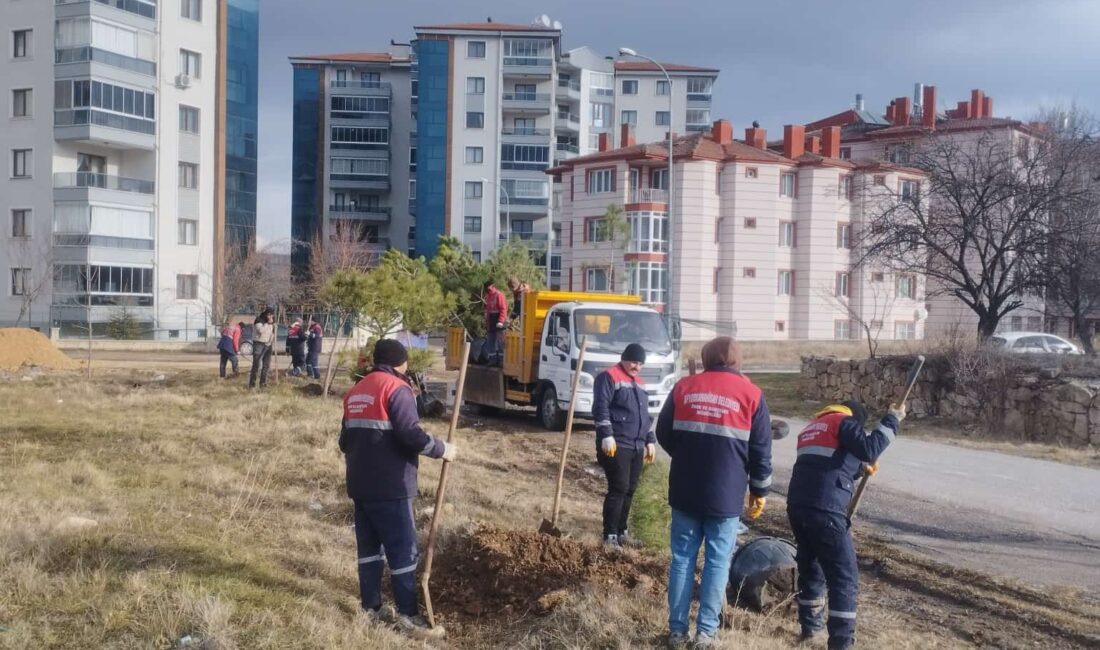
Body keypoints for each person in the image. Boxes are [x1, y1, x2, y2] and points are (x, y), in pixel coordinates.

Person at [655, 336, 773, 649]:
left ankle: (677, 632)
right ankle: (705, 634)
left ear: (707, 358)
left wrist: (685, 455)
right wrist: (759, 489)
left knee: (682, 560)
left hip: (685, 489)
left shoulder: (684, 387)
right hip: (726, 494)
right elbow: (761, 449)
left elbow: (663, 432)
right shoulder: (752, 394)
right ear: (737, 361)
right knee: (717, 563)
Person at [339, 339, 458, 637]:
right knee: (403, 550)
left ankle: (371, 607)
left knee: (369, 549)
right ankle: (408, 615)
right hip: (391, 485)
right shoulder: (397, 389)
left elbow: (344, 442)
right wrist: (442, 448)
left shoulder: (356, 391)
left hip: (360, 485)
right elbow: (410, 435)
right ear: (399, 363)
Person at [786, 400, 903, 650]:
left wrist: (860, 470)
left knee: (812, 568)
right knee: (843, 578)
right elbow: (869, 448)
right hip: (826, 510)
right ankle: (841, 643)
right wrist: (892, 419)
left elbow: (827, 465)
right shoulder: (844, 421)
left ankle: (810, 630)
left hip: (798, 508)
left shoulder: (812, 427)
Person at [593, 342, 655, 550]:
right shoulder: (609, 376)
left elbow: (645, 416)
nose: (636, 366)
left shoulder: (640, 383)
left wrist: (650, 440)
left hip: (636, 445)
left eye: (640, 363)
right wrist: (606, 436)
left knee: (630, 490)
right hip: (616, 444)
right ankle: (609, 536)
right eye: (633, 362)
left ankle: (622, 532)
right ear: (624, 359)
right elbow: (600, 408)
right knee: (618, 488)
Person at [482, 280, 508, 364]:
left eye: (488, 287)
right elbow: (488, 309)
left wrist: (501, 321)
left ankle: (501, 360)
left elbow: (503, 309)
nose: (487, 289)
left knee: (500, 342)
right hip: (492, 320)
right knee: (490, 340)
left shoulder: (498, 295)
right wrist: (487, 320)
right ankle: (492, 360)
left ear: (492, 286)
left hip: (499, 320)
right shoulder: (488, 295)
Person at [248, 309, 275, 388]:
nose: (270, 317)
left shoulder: (271, 322)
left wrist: (270, 342)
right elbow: (261, 331)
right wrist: (268, 323)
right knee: (256, 364)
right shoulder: (259, 320)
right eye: (268, 315)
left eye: (271, 315)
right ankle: (252, 384)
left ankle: (263, 384)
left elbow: (272, 333)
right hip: (259, 343)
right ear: (265, 314)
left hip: (268, 344)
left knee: (266, 365)